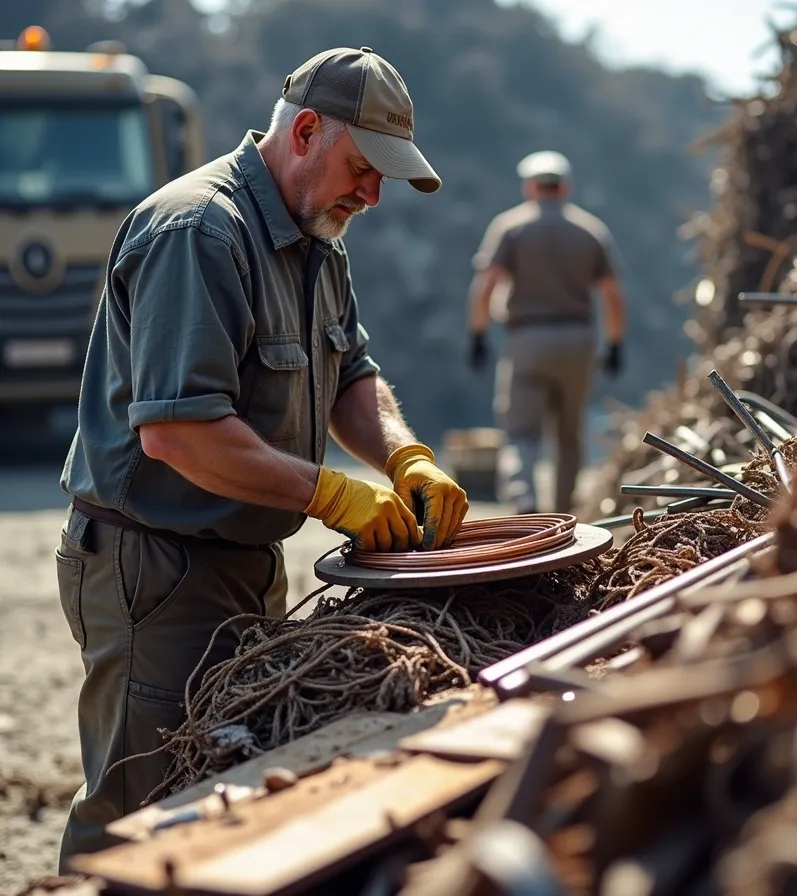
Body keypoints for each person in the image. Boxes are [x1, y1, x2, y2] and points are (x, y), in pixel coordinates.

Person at [55, 46, 469, 865]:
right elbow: (179, 433)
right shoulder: (199, 231)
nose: (373, 193)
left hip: (237, 556)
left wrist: (405, 456)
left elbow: (352, 371)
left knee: (221, 791)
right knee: (140, 811)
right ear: (306, 131)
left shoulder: (318, 232)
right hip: (154, 569)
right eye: (364, 167)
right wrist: (333, 495)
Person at [466, 150, 627, 515]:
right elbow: (613, 294)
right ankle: (562, 516)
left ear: (530, 186)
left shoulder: (510, 227)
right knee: (568, 436)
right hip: (578, 341)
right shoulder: (590, 230)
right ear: (565, 186)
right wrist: (616, 343)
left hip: (527, 340)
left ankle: (524, 503)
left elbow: (486, 284)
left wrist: (477, 333)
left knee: (521, 432)